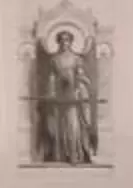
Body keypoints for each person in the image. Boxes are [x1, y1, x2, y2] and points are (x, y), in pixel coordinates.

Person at [34, 30, 97, 164]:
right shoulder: (55, 60)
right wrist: (51, 92)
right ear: (58, 42)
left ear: (71, 42)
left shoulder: (76, 58)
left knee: (73, 125)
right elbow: (52, 77)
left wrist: (83, 80)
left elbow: (79, 73)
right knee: (59, 126)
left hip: (72, 94)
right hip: (59, 95)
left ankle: (75, 155)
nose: (65, 42)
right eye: (62, 40)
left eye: (67, 39)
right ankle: (61, 155)